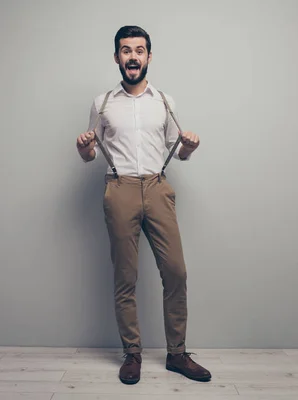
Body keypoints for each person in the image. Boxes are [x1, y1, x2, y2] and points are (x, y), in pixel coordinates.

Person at [75, 25, 211, 385]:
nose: (132, 56)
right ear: (117, 57)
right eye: (125, 50)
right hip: (119, 187)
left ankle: (177, 354)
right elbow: (90, 155)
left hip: (156, 185)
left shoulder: (164, 101)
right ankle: (132, 354)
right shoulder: (102, 103)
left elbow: (177, 151)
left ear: (149, 56)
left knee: (176, 272)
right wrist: (84, 147)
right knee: (125, 277)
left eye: (139, 50)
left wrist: (190, 147)